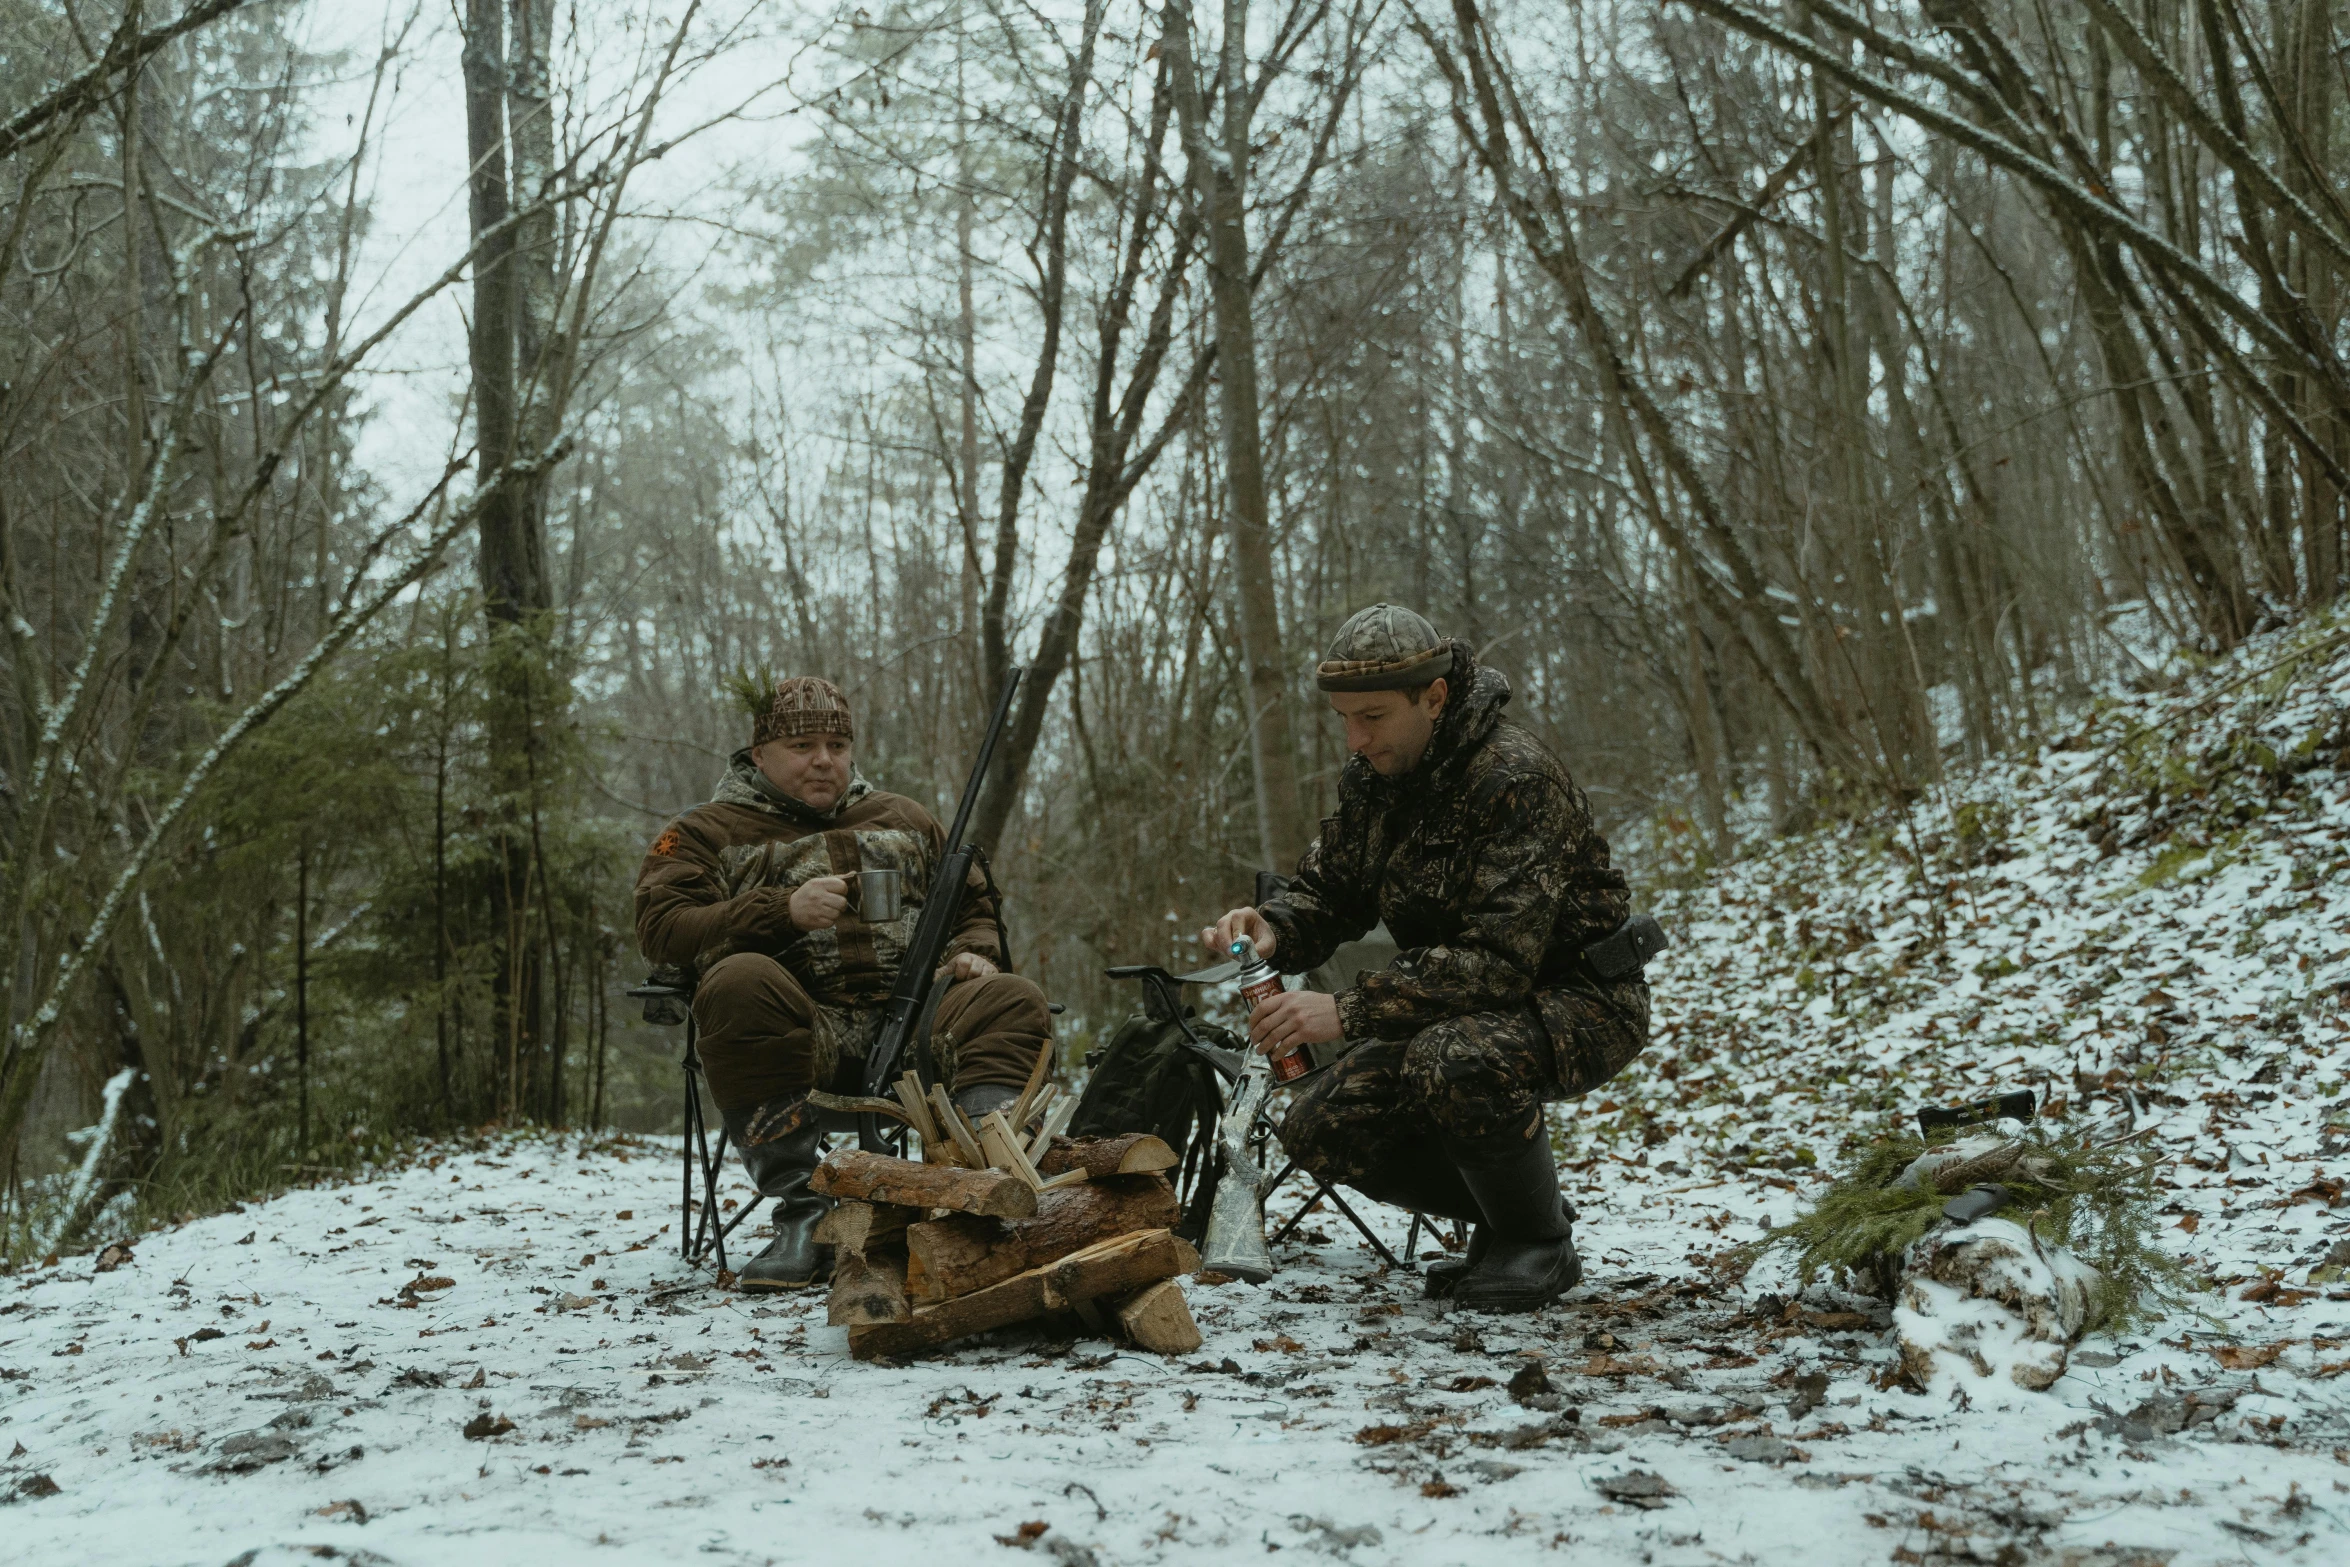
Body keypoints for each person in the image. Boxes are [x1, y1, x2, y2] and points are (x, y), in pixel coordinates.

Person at [1201, 604, 1649, 1312]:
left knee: (1450, 1055)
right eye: (1344, 718)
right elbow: (1331, 892)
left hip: (1582, 999)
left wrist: (1346, 1009)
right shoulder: (1375, 781)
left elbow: (1498, 962)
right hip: (1459, 1002)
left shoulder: (1514, 778)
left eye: (1372, 716)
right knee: (1320, 1123)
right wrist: (1274, 930)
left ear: (1433, 698)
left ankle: (1539, 1241)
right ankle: (1509, 1217)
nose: (1355, 738)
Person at [635, 676, 1050, 1290]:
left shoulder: (904, 819)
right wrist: (781, 911)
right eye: (802, 745)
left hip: (915, 1029)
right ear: (759, 755)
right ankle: (805, 1215)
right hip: (798, 1039)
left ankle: (990, 1201)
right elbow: (662, 928)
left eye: (836, 743)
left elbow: (974, 908)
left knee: (1012, 999)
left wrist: (973, 955)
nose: (823, 759)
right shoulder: (704, 832)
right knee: (738, 980)